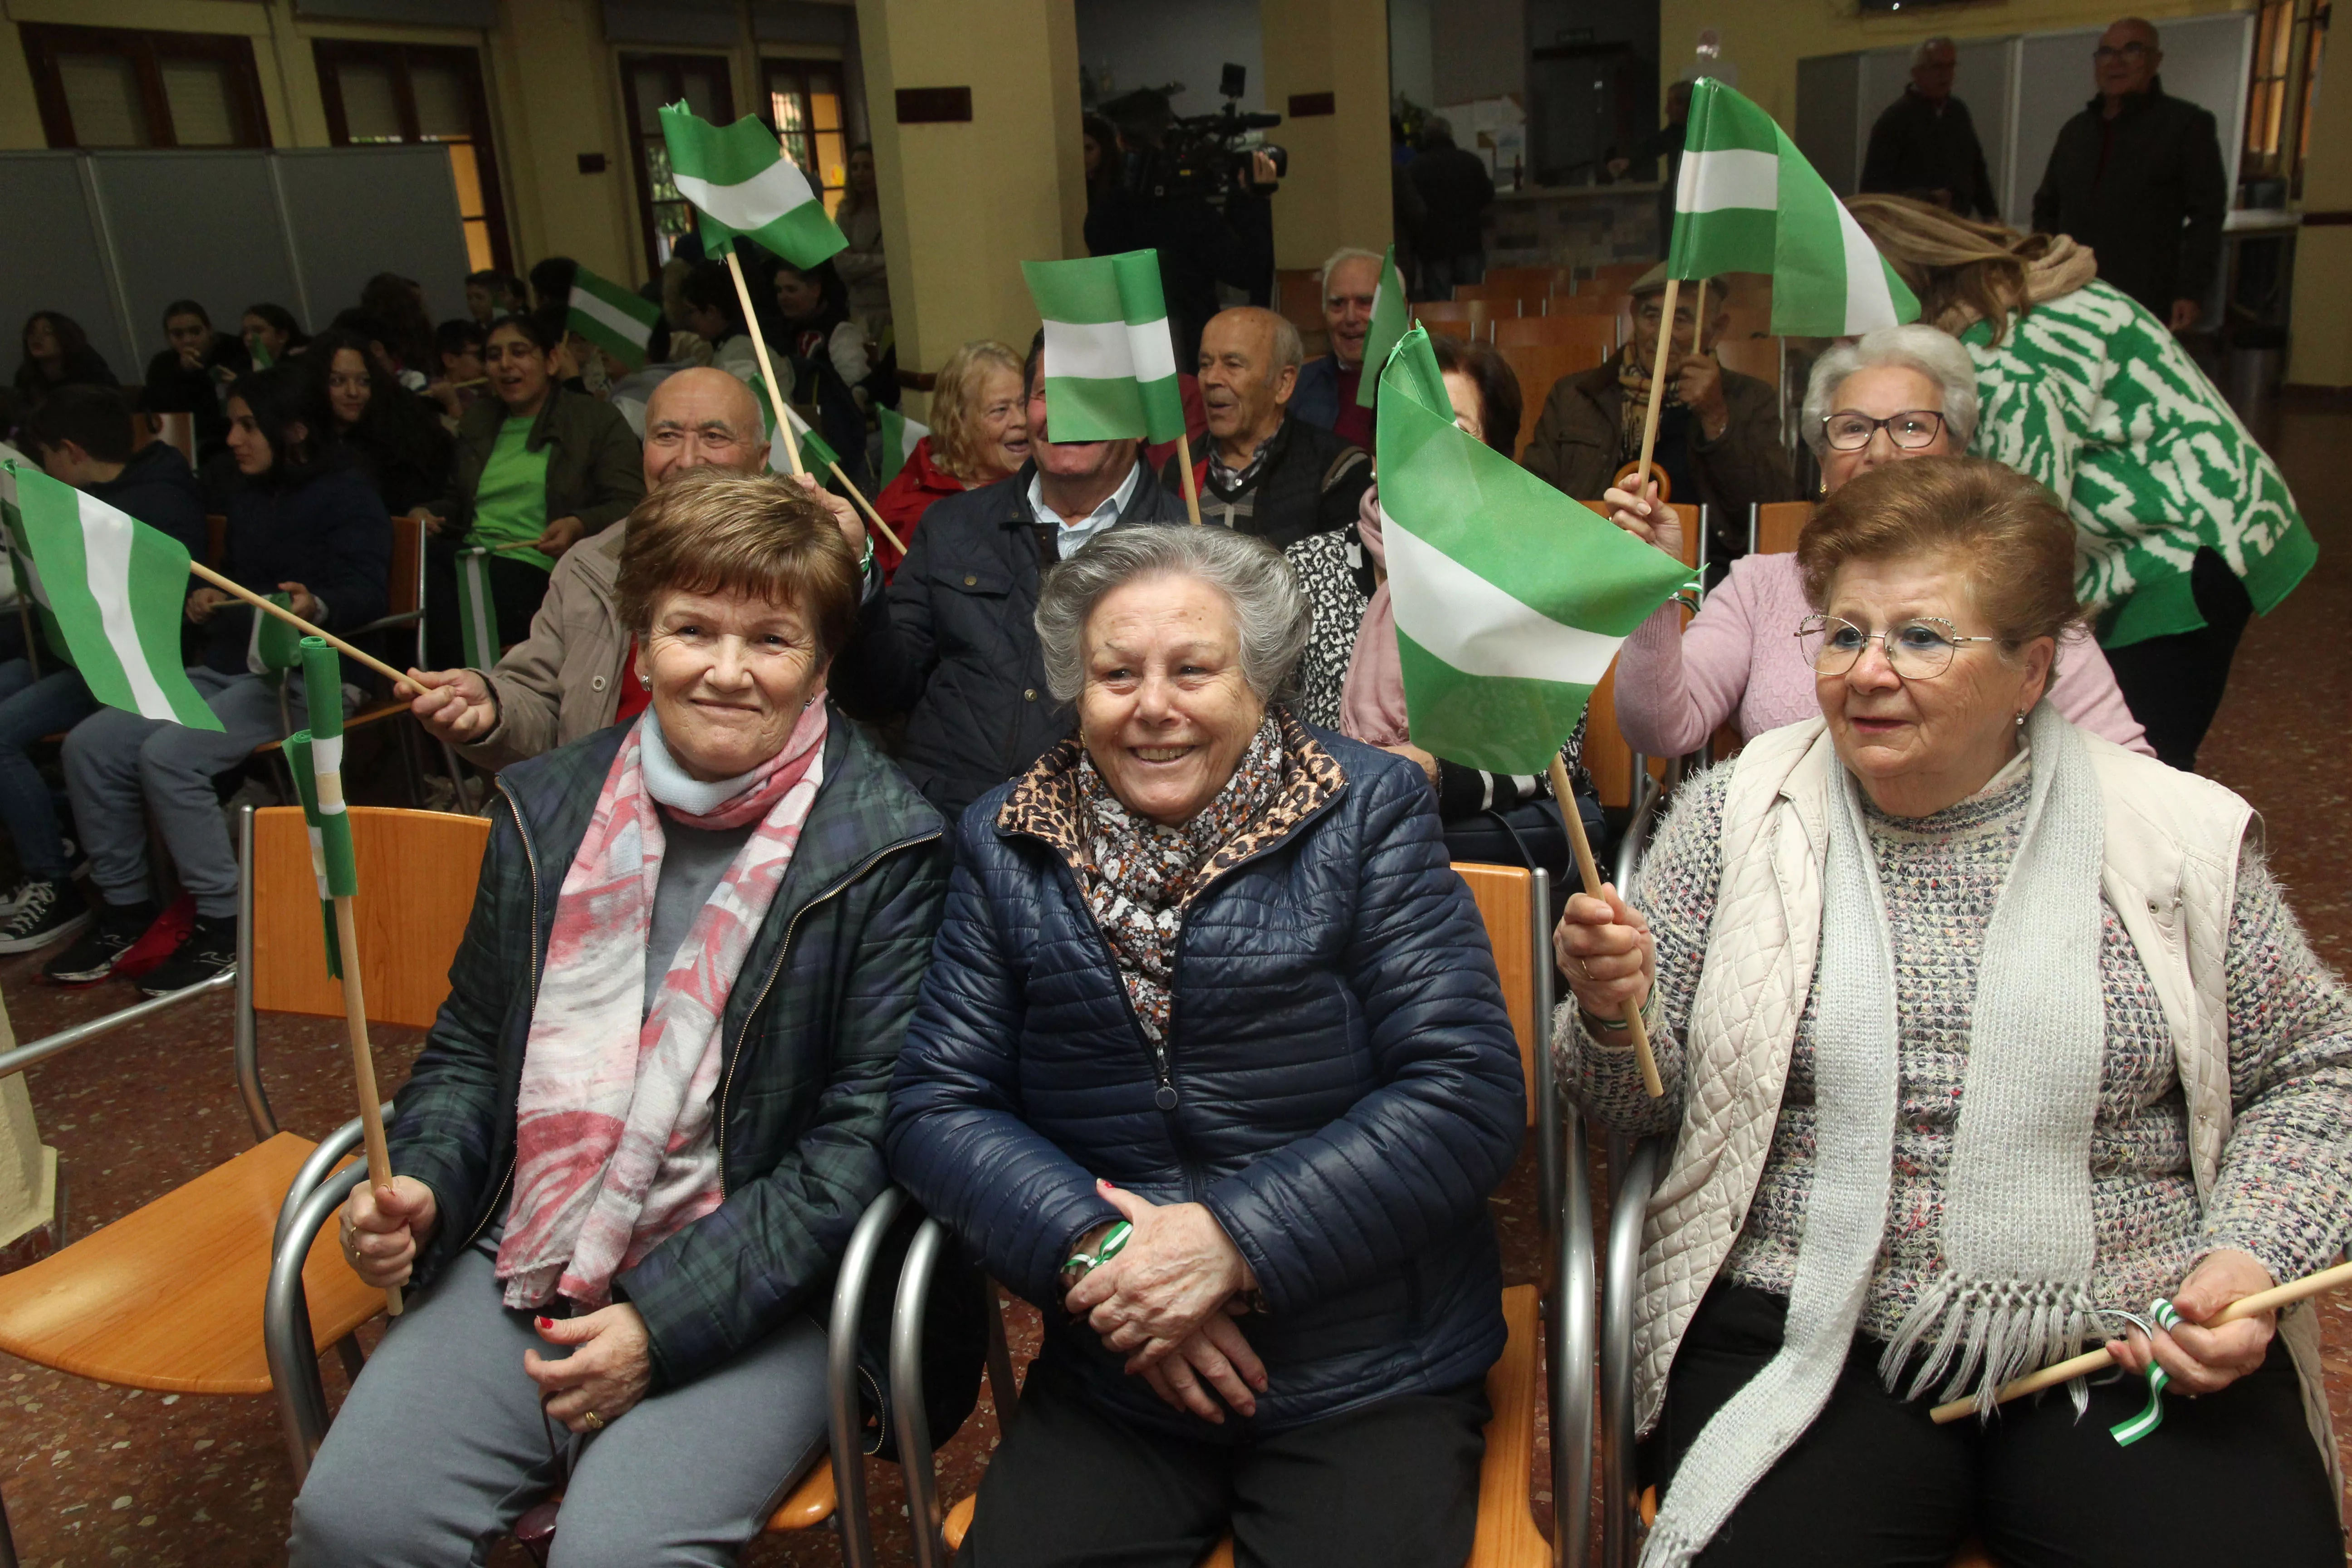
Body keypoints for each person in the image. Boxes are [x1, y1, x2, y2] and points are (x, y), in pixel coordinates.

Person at [1555, 455, 2351, 1568]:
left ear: (2031, 670)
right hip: (1804, 1329)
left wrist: (2248, 1254)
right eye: (1841, 633)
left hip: (2125, 1333)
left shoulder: (2171, 835)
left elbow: (2318, 1070)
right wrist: (1605, 1014)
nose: (1865, 672)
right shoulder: (1735, 818)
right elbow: (1621, 1109)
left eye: (1921, 637)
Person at [290, 468, 948, 1568]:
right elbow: (466, 1048)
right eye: (692, 628)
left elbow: (861, 1144)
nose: (728, 671)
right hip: (529, 1238)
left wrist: (659, 1322)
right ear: (641, 643)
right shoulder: (544, 803)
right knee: (352, 1519)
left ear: (821, 663)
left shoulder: (886, 844)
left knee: (617, 1555)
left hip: (754, 1273)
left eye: (772, 639)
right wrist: (428, 1177)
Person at [887, 524, 1526, 1568]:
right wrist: (1103, 1255)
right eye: (1114, 672)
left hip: (1364, 1366)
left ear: (1260, 679)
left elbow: (1461, 1094)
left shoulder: (1367, 811)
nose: (1151, 705)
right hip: (1122, 1359)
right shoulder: (1004, 838)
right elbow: (934, 1106)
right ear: (1072, 686)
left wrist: (1228, 1240)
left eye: (1193, 668)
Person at [1848, 194, 2312, 769]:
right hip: (2185, 520)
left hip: (2185, 548)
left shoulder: (2003, 352)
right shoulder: (2008, 292)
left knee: (2138, 769)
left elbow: (2025, 529)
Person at [1603, 323, 2151, 761]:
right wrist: (1653, 590)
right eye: (1853, 427)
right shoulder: (1761, 586)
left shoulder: (2014, 583)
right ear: (1821, 460)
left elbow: (2130, 771)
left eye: (1912, 426)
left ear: (1958, 451)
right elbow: (1661, 730)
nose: (1881, 452)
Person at [46, 366, 388, 994]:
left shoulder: (348, 493)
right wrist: (208, 596)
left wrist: (315, 604)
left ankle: (226, 919)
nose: (231, 438)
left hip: (312, 677)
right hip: (231, 667)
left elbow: (366, 591)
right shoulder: (249, 491)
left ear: (297, 430)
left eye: (247, 425)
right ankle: (125, 909)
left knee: (170, 756)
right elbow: (239, 579)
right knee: (89, 746)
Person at [400, 368, 856, 773]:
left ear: (761, 458)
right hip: (599, 810)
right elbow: (540, 706)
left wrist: (859, 567)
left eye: (714, 437)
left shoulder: (802, 560)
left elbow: (873, 699)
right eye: (667, 436)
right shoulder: (590, 563)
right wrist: (493, 711)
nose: (688, 458)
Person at [828, 332, 1189, 817]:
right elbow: (878, 694)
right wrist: (858, 576)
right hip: (946, 826)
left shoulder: (1189, 547)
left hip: (1108, 835)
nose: (1066, 412)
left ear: (1140, 422)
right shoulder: (953, 526)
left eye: (1094, 393)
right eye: (1046, 394)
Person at [1289, 334, 1604, 875]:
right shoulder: (1307, 567)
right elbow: (1265, 724)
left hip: (1478, 861)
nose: (1425, 445)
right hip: (1328, 849)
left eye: (1454, 429)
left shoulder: (1531, 574)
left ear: (1494, 459)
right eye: (1408, 422)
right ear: (1376, 450)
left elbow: (1556, 753)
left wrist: (1433, 771)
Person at [0, 387, 207, 955]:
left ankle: (54, 877)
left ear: (69, 452)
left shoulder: (142, 508)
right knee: (12, 678)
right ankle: (60, 829)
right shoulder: (119, 491)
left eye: (46, 458)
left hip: (133, 667)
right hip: (95, 658)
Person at [419, 312, 645, 665]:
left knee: (437, 586)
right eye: (494, 356)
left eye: (519, 352)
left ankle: (455, 690)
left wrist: (577, 524)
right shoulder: (478, 421)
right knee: (422, 566)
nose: (506, 365)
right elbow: (456, 501)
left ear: (552, 360)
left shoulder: (594, 421)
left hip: (540, 569)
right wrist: (430, 514)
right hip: (471, 561)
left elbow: (632, 504)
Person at [1522, 264, 1792, 520]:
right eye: (1651, 317)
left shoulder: (1751, 399)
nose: (1662, 335)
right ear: (1633, 316)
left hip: (1704, 562)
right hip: (1595, 558)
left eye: (1681, 320)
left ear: (1717, 329)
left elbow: (1772, 512)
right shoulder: (1576, 396)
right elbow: (1531, 496)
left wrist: (1716, 418)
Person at [2030, 18, 2227, 330]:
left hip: (2145, 294)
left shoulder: (2186, 125)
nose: (2116, 63)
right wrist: (2043, 269)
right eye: (2106, 53)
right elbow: (2046, 206)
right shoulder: (2076, 131)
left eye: (2131, 51)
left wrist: (2190, 291)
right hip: (2071, 290)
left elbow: (2207, 218)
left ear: (2155, 60)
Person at [1085, 88, 1278, 370]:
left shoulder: (1105, 214)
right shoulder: (1187, 213)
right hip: (1189, 362)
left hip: (1118, 360)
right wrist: (1252, 201)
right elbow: (1249, 272)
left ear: (1120, 143)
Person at [1162, 307, 1369, 550]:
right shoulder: (1180, 468)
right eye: (1205, 364)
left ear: (1284, 383)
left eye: (1233, 364)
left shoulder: (1337, 470)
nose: (1211, 379)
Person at [870, 339, 1029, 579]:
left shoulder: (1050, 479)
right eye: (1000, 410)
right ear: (959, 422)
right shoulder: (912, 508)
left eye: (1024, 404)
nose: (1021, 420)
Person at [308, 327, 455, 518]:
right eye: (337, 381)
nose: (353, 392)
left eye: (363, 382)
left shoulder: (400, 431)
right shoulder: (305, 437)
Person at [1860, 37, 1999, 218]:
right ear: (1917, 73)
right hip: (1913, 226)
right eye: (1937, 67)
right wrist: (1926, 198)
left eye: (1951, 66)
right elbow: (1873, 189)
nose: (1946, 74)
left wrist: (1992, 217)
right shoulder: (1894, 120)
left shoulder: (1958, 113)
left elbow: (1977, 171)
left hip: (1957, 223)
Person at [1289, 248, 1381, 451]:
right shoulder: (1297, 387)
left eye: (1365, 302)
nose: (1350, 318)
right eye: (1338, 304)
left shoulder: (1430, 384)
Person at [141, 300, 248, 462]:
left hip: (231, 434)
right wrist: (183, 373)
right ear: (168, 338)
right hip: (186, 442)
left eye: (195, 332)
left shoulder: (234, 352)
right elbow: (161, 411)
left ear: (209, 330)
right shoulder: (162, 364)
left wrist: (239, 383)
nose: (188, 340)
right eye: (178, 335)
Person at [1409, 117, 1495, 299]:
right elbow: (1487, 196)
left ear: (1425, 137)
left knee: (1440, 307)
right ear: (1450, 135)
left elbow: (1413, 207)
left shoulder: (1416, 167)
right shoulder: (1471, 162)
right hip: (1468, 240)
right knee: (1472, 301)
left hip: (1433, 245)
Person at [1607, 78, 1693, 253]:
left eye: (1672, 104)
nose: (1667, 110)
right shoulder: (1676, 133)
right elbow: (1653, 146)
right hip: (1676, 202)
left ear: (1685, 107)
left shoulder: (1698, 136)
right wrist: (1630, 162)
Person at [832, 144, 891, 332]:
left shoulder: (892, 210)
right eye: (855, 167)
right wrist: (882, 262)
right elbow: (841, 263)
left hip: (891, 306)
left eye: (867, 167)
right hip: (860, 309)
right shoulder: (846, 212)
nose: (860, 173)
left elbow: (899, 266)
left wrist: (861, 267)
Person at [678, 262, 761, 386]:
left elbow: (740, 402)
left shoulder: (739, 350)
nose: (689, 319)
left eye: (690, 311)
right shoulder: (731, 345)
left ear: (711, 312)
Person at [13, 313, 116, 403]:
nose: (37, 337)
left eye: (48, 331)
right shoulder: (26, 376)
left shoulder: (92, 371)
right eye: (32, 332)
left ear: (66, 337)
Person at [240, 303, 309, 365]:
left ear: (282, 336)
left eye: (258, 331)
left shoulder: (302, 362)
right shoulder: (243, 366)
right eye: (245, 333)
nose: (249, 338)